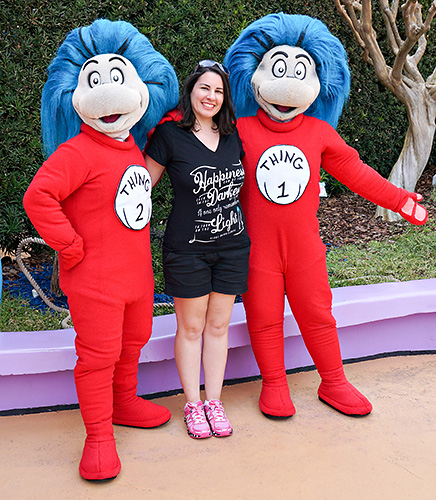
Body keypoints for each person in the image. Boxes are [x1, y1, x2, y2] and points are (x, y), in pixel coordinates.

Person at [223, 13, 428, 419]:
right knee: (263, 318)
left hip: (305, 250)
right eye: (276, 70)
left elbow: (356, 173)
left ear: (320, 83)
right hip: (256, 251)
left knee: (317, 314)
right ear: (253, 73)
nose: (286, 86)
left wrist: (399, 200)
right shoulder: (239, 130)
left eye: (300, 73)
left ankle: (334, 381)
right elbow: (196, 141)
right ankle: (274, 385)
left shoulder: (318, 133)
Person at [23, 20, 179, 481]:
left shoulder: (133, 147)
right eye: (95, 79)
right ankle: (97, 436)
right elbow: (38, 198)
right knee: (97, 354)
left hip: (135, 276)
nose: (110, 98)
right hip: (95, 281)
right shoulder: (75, 152)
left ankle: (125, 401)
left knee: (134, 341)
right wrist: (69, 246)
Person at [144, 60, 250, 439]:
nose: (211, 96)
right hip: (187, 250)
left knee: (218, 326)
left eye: (219, 91)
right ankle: (192, 404)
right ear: (191, 92)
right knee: (191, 327)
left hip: (233, 247)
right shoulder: (170, 136)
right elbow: (139, 188)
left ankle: (214, 402)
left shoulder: (233, 135)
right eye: (205, 88)